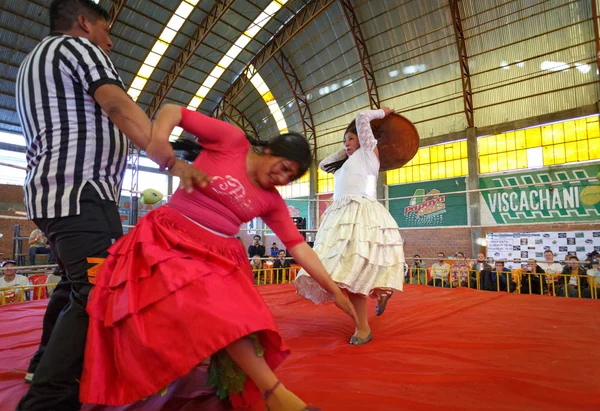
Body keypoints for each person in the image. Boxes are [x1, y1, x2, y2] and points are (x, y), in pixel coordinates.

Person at [79, 104, 358, 411]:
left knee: (239, 319)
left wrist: (333, 289)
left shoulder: (271, 201)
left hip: (218, 256)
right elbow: (174, 111)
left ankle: (274, 394)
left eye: (289, 177)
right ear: (270, 150)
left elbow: (299, 246)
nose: (281, 178)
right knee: (177, 312)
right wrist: (159, 138)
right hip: (169, 240)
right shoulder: (232, 141)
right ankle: (272, 394)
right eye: (284, 167)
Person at [15, 1, 203, 408]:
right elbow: (118, 106)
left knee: (75, 282)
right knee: (98, 290)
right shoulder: (78, 49)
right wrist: (170, 160)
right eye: (106, 29)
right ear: (84, 22)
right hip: (80, 192)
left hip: (52, 196)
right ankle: (47, 399)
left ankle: (43, 361)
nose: (111, 40)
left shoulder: (32, 63)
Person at [295, 108, 405, 346]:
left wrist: (383, 112)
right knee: (338, 272)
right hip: (340, 217)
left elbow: (361, 117)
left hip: (361, 214)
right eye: (344, 140)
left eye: (351, 138)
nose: (346, 143)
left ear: (365, 139)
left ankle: (363, 328)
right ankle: (383, 293)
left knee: (352, 276)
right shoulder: (348, 161)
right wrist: (345, 149)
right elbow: (324, 165)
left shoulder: (368, 153)